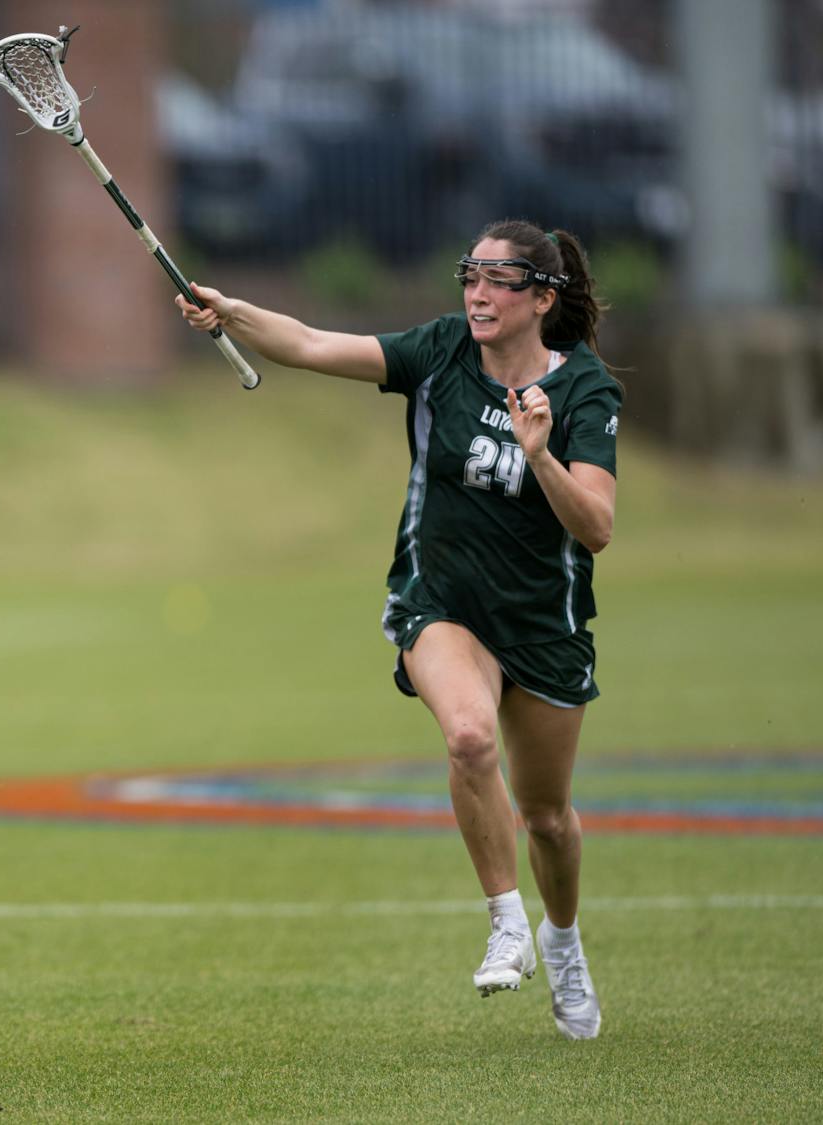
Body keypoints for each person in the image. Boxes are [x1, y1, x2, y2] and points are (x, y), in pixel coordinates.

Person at [176, 219, 619, 1040]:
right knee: (468, 736)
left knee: (550, 817)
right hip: (439, 600)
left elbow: (595, 527)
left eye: (498, 281)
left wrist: (541, 454)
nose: (477, 294)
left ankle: (562, 940)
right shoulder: (441, 351)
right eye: (469, 276)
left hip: (542, 622)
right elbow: (311, 343)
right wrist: (232, 311)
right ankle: (506, 920)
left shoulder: (584, 389)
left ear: (541, 299)